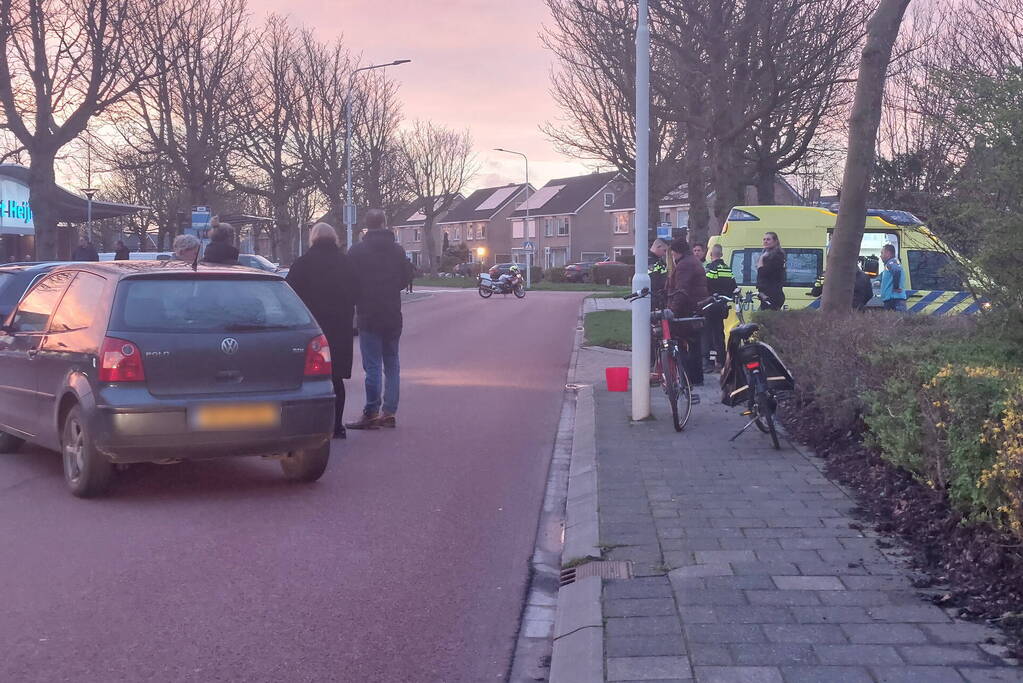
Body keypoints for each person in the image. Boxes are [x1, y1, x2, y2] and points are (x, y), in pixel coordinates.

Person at [286, 223, 357, 439]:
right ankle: (337, 426)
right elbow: (357, 291)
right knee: (335, 378)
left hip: (312, 327)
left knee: (309, 378)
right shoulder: (346, 263)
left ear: (313, 238)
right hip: (340, 326)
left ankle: (308, 425)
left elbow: (289, 295)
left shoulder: (302, 264)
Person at [346, 208, 413, 430]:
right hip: (392, 313)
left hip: (368, 313)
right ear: (384, 223)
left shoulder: (356, 252)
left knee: (372, 366)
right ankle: (389, 412)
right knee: (392, 364)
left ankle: (371, 412)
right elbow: (406, 277)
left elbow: (350, 281)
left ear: (366, 225)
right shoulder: (398, 250)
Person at [665, 237, 709, 386]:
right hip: (696, 308)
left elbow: (681, 290)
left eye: (673, 253)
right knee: (695, 345)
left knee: (682, 345)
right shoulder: (694, 261)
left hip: (686, 310)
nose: (672, 256)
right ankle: (697, 378)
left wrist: (672, 311)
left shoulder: (684, 265)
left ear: (677, 252)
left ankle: (686, 378)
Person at [703, 244, 736, 371]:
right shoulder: (728, 269)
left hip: (710, 304)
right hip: (722, 305)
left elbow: (706, 284)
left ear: (711, 255)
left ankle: (708, 362)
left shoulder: (710, 269)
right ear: (721, 255)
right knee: (719, 333)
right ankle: (721, 361)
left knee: (707, 334)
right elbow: (733, 286)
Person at [756, 231, 786, 310]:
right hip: (765, 294)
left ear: (775, 241)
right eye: (764, 239)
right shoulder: (767, 254)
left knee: (764, 319)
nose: (765, 241)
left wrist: (761, 258)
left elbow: (762, 272)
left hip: (772, 295)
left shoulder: (777, 255)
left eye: (768, 239)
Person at [880, 243, 907, 311]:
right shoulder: (891, 264)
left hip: (894, 300)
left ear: (888, 253)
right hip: (894, 299)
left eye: (882, 253)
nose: (880, 256)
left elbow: (896, 271)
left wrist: (896, 287)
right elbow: (884, 275)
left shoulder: (891, 263)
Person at [648, 238, 670, 310]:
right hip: (654, 299)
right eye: (664, 250)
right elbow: (654, 283)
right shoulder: (650, 261)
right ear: (658, 246)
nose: (665, 253)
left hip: (659, 298)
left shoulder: (658, 260)